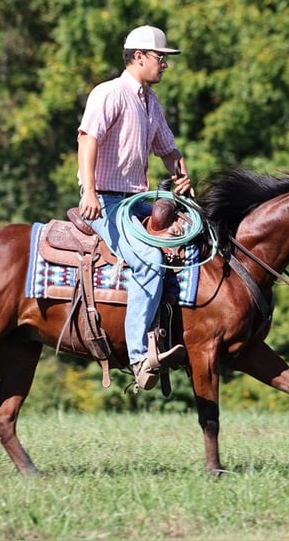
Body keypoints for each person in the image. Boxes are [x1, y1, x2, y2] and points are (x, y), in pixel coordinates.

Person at [76, 25, 194, 391]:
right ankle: (139, 354)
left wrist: (181, 174)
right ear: (139, 56)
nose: (164, 65)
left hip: (134, 201)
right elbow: (87, 139)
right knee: (148, 258)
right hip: (107, 202)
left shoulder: (150, 103)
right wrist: (90, 193)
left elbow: (167, 149)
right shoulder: (109, 94)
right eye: (161, 58)